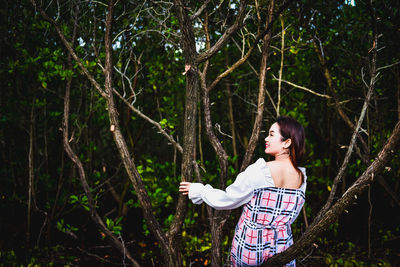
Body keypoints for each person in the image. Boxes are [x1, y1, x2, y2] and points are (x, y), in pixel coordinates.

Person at [179, 116, 306, 267]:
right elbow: (290, 217)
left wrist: (198, 190)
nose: (266, 138)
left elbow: (227, 200)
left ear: (287, 142)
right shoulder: (301, 177)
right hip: (283, 246)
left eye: (271, 134)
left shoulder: (260, 170)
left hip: (252, 247)